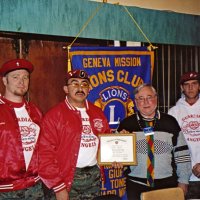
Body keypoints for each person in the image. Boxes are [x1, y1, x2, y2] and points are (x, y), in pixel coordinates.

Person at [38, 69, 116, 200]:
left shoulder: (98, 112)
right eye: (74, 84)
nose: (80, 88)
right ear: (66, 89)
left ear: (89, 89)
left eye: (84, 84)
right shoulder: (54, 116)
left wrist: (115, 156)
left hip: (93, 178)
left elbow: (106, 141)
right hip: (67, 179)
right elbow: (45, 155)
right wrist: (59, 187)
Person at [117, 83, 192, 200]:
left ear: (156, 98)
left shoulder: (170, 122)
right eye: (141, 99)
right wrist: (117, 158)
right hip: (136, 185)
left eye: (149, 97)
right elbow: (116, 154)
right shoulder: (126, 125)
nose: (145, 102)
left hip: (167, 185)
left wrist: (183, 181)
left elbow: (182, 154)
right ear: (136, 102)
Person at [0, 59, 44, 199]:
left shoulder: (35, 111)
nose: (22, 81)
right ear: (4, 81)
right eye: (15, 77)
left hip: (35, 187)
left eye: (25, 77)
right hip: (5, 191)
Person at [168, 71, 200, 199]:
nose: (190, 87)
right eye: (186, 84)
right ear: (182, 88)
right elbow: (170, 146)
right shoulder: (173, 112)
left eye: (194, 83)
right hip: (184, 177)